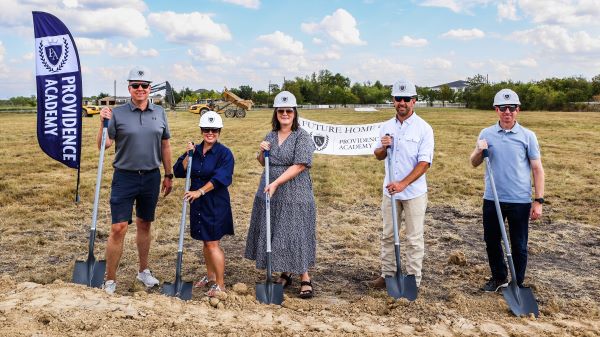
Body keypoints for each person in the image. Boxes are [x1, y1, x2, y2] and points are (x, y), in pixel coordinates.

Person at [98, 66, 173, 295]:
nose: (140, 89)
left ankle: (143, 271)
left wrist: (168, 175)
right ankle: (110, 280)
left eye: (144, 86)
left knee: (144, 224)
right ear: (129, 88)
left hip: (151, 176)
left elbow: (165, 144)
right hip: (124, 176)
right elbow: (105, 144)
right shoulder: (118, 113)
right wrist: (100, 124)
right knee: (118, 227)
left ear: (150, 88)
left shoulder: (159, 112)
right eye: (135, 86)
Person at [470, 88, 545, 292]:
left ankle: (517, 283)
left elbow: (537, 169)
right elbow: (473, 162)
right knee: (492, 241)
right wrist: (479, 150)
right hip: (492, 199)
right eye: (503, 108)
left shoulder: (528, 136)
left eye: (512, 108)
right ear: (496, 109)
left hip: (520, 200)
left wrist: (538, 201)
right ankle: (499, 278)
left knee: (519, 245)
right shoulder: (486, 134)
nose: (507, 112)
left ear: (518, 110)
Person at [244, 91, 317, 299]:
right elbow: (263, 162)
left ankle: (304, 276)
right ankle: (285, 272)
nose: (285, 114)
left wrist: (276, 182)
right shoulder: (270, 135)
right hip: (270, 189)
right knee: (277, 231)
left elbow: (301, 164)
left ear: (294, 113)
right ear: (276, 113)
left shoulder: (302, 136)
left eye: (289, 111)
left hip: (295, 191)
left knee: (296, 232)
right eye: (281, 111)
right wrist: (261, 152)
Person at [369, 79, 434, 289]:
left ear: (414, 101)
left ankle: (413, 279)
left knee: (414, 238)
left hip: (413, 192)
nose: (402, 103)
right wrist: (384, 147)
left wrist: (404, 184)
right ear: (393, 101)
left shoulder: (424, 129)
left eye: (407, 99)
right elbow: (378, 155)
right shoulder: (386, 127)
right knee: (388, 235)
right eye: (398, 99)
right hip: (390, 192)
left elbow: (424, 163)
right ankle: (388, 274)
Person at [173, 111, 234, 297]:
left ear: (219, 131)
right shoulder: (195, 151)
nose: (210, 133)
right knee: (205, 242)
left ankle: (220, 285)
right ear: (201, 130)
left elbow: (221, 178)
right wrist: (187, 156)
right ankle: (210, 276)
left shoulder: (224, 154)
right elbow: (178, 171)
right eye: (206, 129)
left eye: (214, 130)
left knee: (212, 243)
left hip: (215, 203)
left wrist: (200, 191)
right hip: (197, 203)